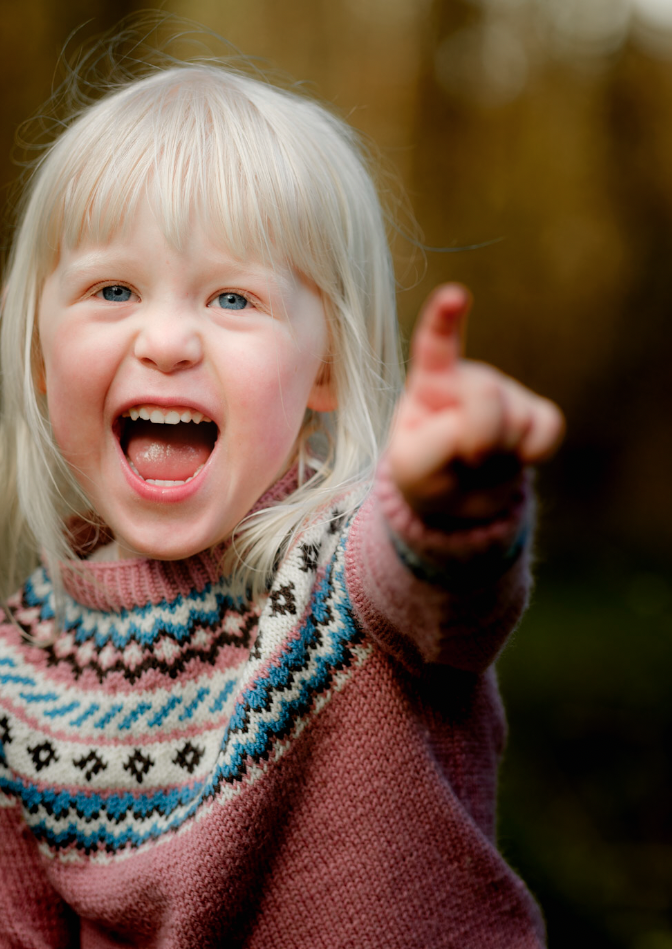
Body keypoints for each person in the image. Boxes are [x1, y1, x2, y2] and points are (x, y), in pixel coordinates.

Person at [0, 22, 563, 949]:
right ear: (43, 357)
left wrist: (445, 501)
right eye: (112, 291)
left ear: (327, 370)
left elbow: (438, 591)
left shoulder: (347, 573)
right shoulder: (22, 680)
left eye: (233, 299)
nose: (167, 339)